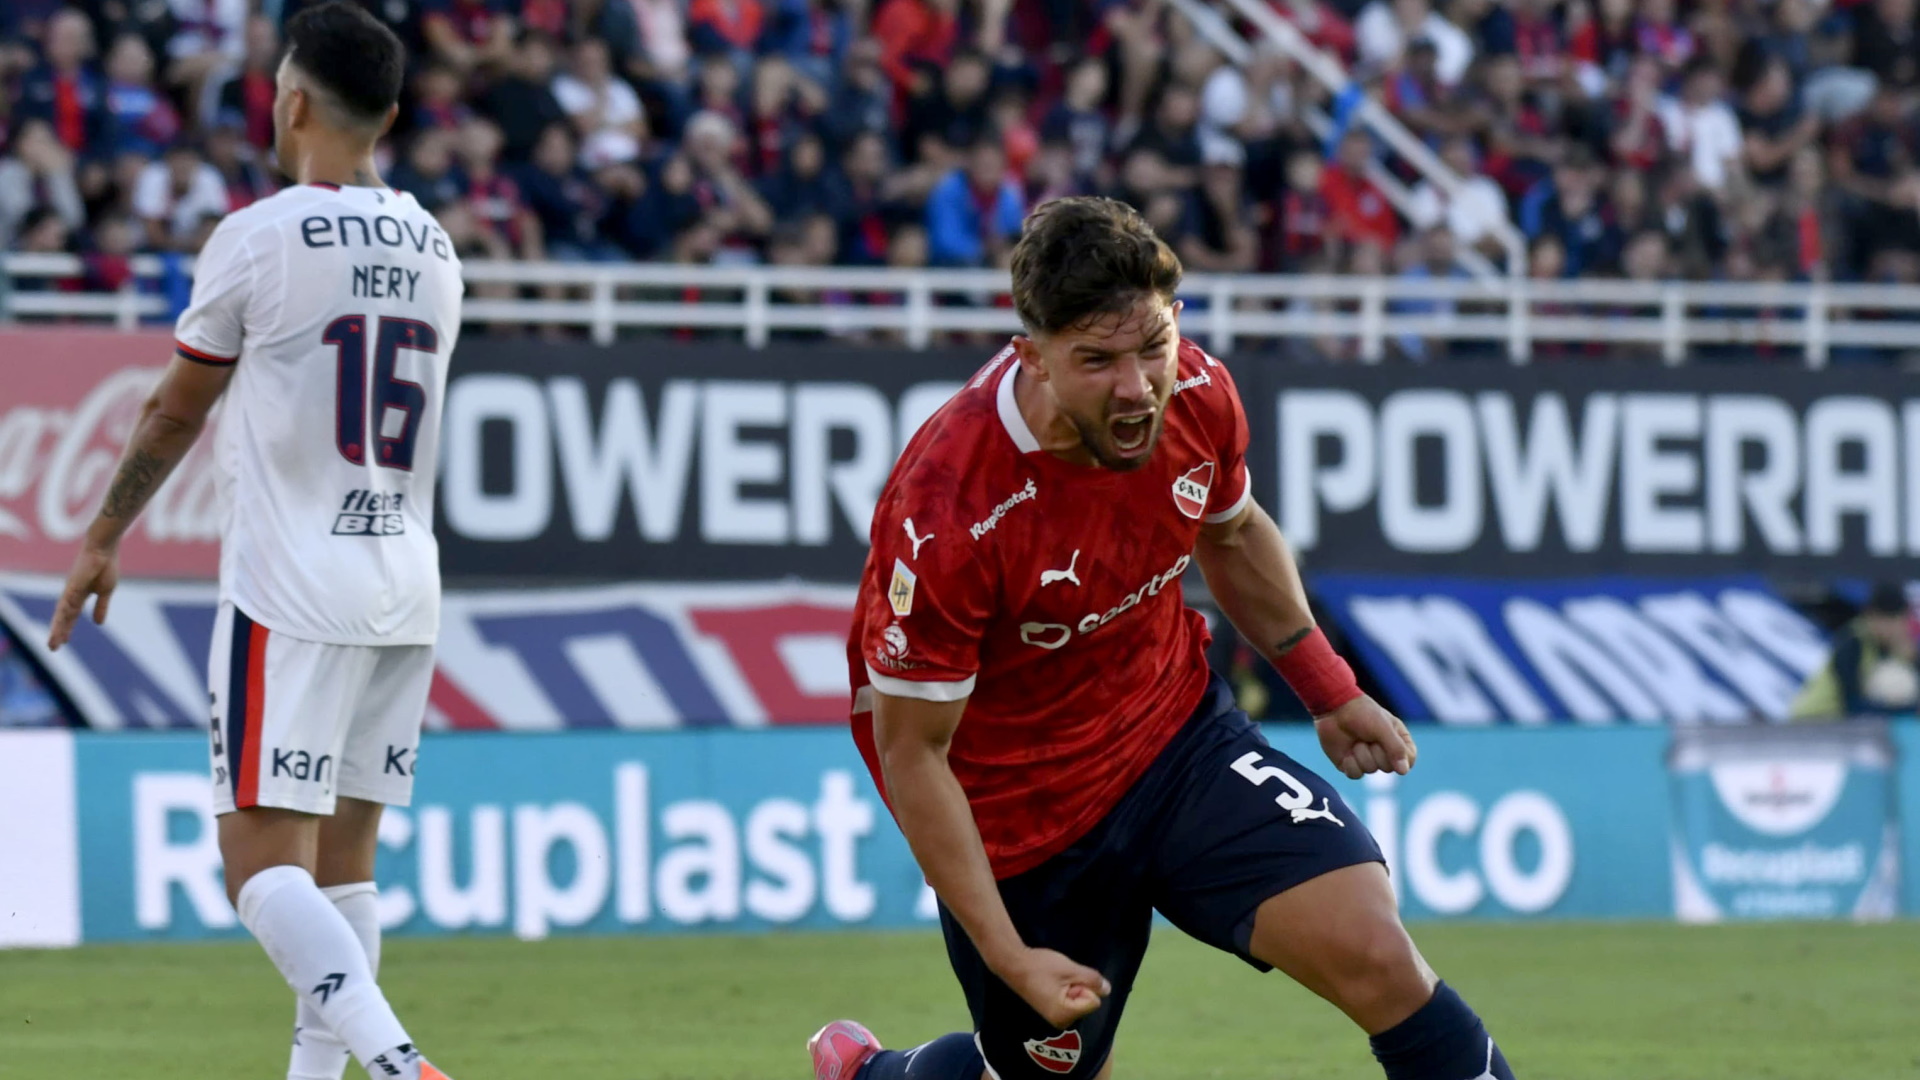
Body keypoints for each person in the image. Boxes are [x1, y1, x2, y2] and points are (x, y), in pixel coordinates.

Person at [810, 197, 1516, 1080]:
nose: (1138, 386)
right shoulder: (949, 512)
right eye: (1097, 360)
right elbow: (913, 754)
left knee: (1377, 952)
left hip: (1175, 741)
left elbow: (1232, 529)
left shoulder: (1196, 393)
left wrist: (1327, 687)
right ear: (1031, 356)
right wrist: (1009, 954)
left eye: (1152, 344)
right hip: (1025, 820)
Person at [44, 5, 464, 1080]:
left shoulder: (262, 235)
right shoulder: (436, 245)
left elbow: (175, 411)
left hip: (293, 584)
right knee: (343, 874)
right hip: (403, 583)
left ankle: (402, 1065)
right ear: (391, 112)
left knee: (261, 872)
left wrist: (100, 537)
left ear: (287, 103)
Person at [1790, 583, 1919, 720]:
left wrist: (1912, 661)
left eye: (1895, 621)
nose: (1889, 629)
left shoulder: (1900, 649)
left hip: (1847, 727)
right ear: (1870, 616)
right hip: (1812, 721)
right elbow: (1853, 704)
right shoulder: (1852, 644)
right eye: (1883, 620)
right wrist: (1908, 710)